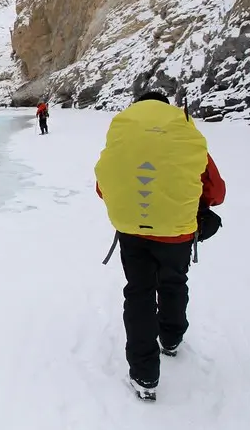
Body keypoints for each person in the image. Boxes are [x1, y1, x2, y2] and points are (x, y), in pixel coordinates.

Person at [93, 91, 225, 401]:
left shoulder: (123, 135)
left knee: (139, 293)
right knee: (174, 282)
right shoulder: (184, 132)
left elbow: (103, 187)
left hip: (131, 232)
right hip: (177, 233)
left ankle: (144, 375)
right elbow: (216, 191)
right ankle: (171, 338)